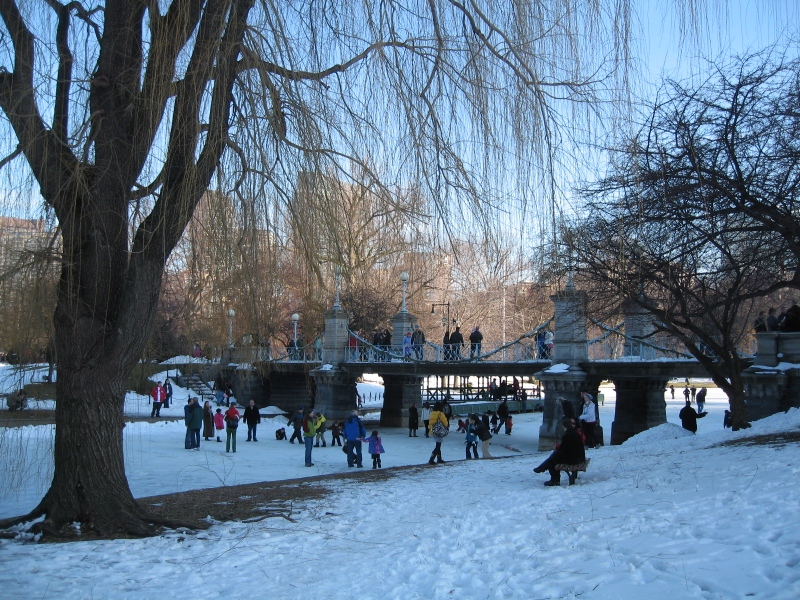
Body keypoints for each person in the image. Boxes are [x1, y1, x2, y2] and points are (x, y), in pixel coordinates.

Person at [533, 418, 586, 486]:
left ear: (564, 426)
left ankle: (554, 480)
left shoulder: (568, 435)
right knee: (554, 457)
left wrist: (557, 450)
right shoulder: (574, 433)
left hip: (574, 460)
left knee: (552, 461)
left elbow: (563, 450)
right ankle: (543, 468)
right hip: (579, 458)